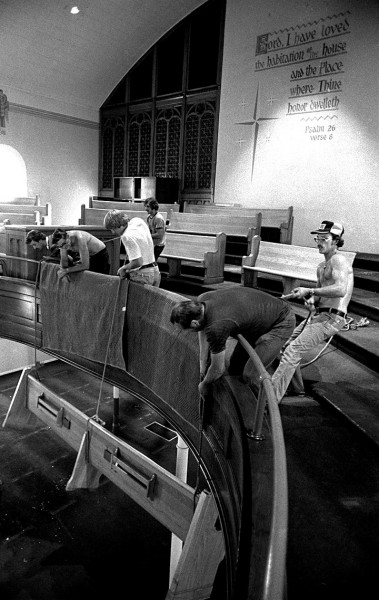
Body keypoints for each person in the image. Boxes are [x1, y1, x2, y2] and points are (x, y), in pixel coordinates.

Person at [271, 220, 354, 403]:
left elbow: (340, 289)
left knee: (293, 350)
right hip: (319, 315)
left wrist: (309, 291)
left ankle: (270, 400)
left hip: (332, 318)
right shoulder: (321, 266)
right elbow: (317, 296)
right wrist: (308, 299)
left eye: (325, 238)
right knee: (285, 345)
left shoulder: (338, 260)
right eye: (318, 238)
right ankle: (297, 389)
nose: (319, 242)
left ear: (336, 240)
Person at [170, 286, 296, 397]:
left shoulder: (216, 327)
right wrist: (202, 363)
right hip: (259, 318)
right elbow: (201, 330)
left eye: (185, 329)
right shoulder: (202, 299)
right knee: (236, 367)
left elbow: (218, 369)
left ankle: (270, 403)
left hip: (281, 321)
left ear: (194, 323)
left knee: (250, 375)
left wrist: (204, 384)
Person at [103, 209, 160, 286]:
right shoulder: (137, 221)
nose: (113, 232)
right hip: (155, 270)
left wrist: (124, 268)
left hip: (143, 275)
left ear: (119, 225)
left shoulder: (126, 236)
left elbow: (138, 262)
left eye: (113, 229)